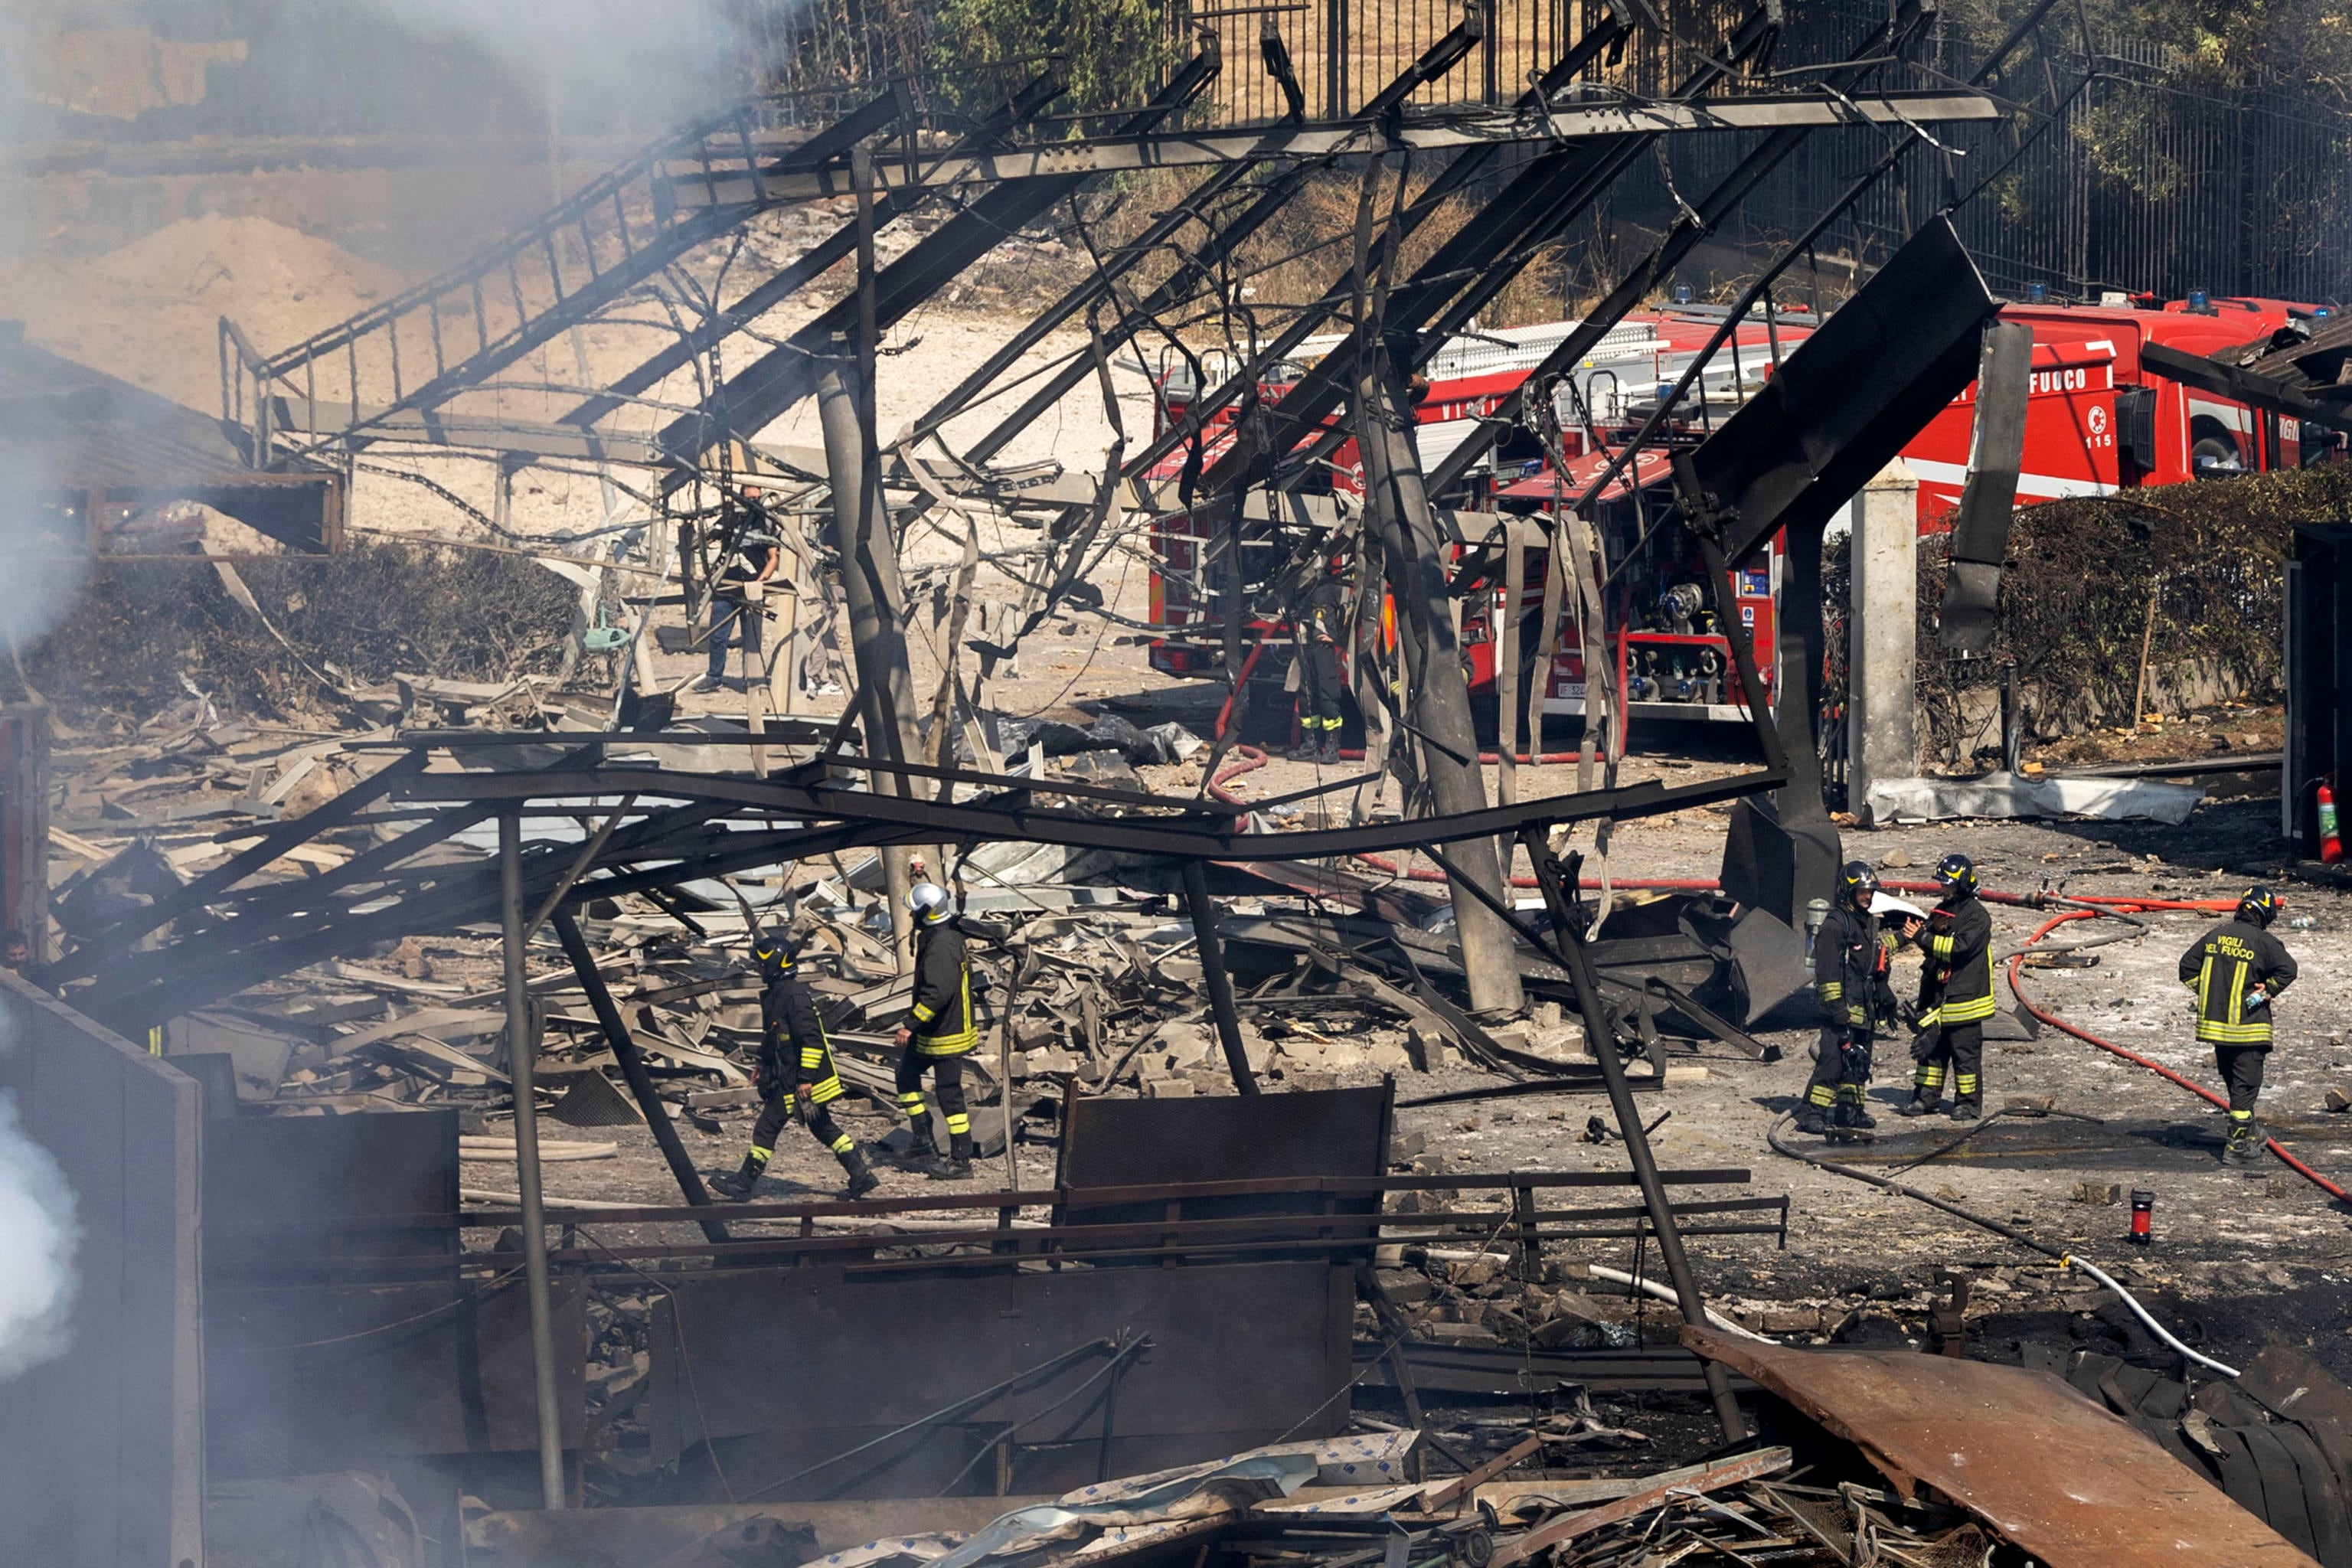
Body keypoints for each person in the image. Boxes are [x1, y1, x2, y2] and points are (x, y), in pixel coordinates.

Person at [712, 929, 880, 1200]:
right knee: (822, 1126)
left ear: (774, 965)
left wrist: (805, 1079)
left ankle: (743, 1184)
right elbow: (775, 1036)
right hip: (790, 1074)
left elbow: (811, 1040)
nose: (758, 969)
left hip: (797, 1080)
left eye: (761, 965)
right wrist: (762, 1064)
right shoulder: (778, 993)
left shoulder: (793, 996)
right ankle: (861, 1175)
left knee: (767, 1127)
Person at [2178, 886, 2298, 1165]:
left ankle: (2250, 1132)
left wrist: (2211, 993)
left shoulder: (2215, 935)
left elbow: (2186, 967)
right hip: (2249, 1028)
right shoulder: (2264, 942)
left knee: (2234, 1083)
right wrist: (2266, 990)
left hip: (2218, 1029)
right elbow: (2288, 970)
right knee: (2246, 1087)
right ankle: (2238, 1145)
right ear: (2265, 914)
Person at [1798, 862, 1896, 1135]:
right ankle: (1811, 1114)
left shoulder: (1865, 922)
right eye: (1863, 891)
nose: (1868, 896)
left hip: (1864, 1007)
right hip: (1841, 1010)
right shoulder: (1835, 925)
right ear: (1848, 892)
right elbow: (1827, 971)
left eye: (1871, 891)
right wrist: (1838, 1009)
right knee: (1832, 1063)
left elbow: (1873, 960)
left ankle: (1850, 1113)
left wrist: (1883, 992)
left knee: (1857, 1064)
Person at [1900, 852, 1995, 1121]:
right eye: (1942, 884)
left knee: (1964, 1057)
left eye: (1949, 884)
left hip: (1965, 999)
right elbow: (1928, 938)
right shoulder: (1945, 910)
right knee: (1932, 1053)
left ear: (1963, 883)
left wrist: (1923, 937)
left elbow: (1958, 949)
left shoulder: (1978, 917)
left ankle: (1967, 1104)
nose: (1944, 889)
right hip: (1938, 997)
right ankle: (1925, 1099)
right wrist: (1920, 932)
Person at [893, 882, 978, 1179]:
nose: (911, 916)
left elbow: (937, 994)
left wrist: (909, 1024)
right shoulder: (939, 936)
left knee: (949, 1096)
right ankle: (923, 1141)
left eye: (914, 911)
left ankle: (961, 1160)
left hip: (945, 1033)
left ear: (927, 913)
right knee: (906, 1078)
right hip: (934, 1032)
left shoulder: (941, 945)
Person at [694, 493, 777, 693]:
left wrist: (760, 582)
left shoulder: (765, 523)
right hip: (727, 586)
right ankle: (714, 677)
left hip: (752, 587)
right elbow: (705, 539)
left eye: (757, 496)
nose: (752, 500)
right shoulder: (730, 518)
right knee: (718, 635)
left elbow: (774, 556)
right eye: (748, 497)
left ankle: (751, 680)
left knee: (751, 637)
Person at [1289, 555, 1350, 766]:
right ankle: (1310, 745)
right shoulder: (1302, 589)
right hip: (1306, 647)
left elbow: (1349, 613)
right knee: (1306, 695)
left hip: (1326, 649)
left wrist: (1337, 638)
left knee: (1327, 694)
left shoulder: (1333, 587)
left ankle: (1332, 747)